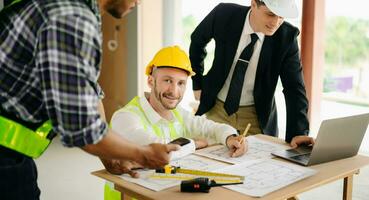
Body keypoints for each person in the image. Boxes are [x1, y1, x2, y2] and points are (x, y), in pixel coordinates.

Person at [0, 0, 179, 199]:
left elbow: (89, 92)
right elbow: (79, 126)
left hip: (13, 156)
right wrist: (142, 154)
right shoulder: (71, 18)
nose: (139, 2)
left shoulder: (76, 12)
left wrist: (110, 156)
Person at [189, 0, 314, 147]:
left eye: (281, 17)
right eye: (270, 14)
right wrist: (197, 83)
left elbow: (294, 87)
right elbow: (197, 41)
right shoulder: (224, 14)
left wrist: (298, 132)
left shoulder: (287, 37)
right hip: (216, 109)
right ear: (254, 4)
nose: (275, 22)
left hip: (255, 117)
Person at [110, 45, 246, 171]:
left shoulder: (178, 113)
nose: (174, 91)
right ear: (151, 81)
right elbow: (160, 151)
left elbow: (212, 128)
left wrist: (231, 138)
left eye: (181, 83)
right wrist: (195, 144)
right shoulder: (125, 117)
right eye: (167, 80)